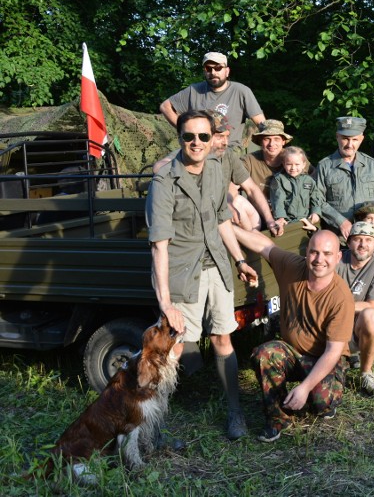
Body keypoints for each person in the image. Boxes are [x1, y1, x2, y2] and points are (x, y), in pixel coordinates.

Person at [146, 109, 258, 441]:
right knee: (175, 348)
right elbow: (159, 246)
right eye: (189, 136)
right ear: (179, 138)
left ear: (213, 139)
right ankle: (154, 424)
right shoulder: (164, 181)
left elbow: (222, 218)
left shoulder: (216, 170)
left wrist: (239, 260)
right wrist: (166, 303)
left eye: (203, 136)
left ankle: (234, 411)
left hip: (218, 269)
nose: (196, 143)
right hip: (184, 273)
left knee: (224, 339)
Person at [233, 228, 354, 442]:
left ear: (337, 257)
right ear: (306, 252)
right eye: (314, 252)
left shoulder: (341, 297)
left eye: (327, 254)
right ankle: (278, 419)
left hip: (323, 358)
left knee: (321, 402)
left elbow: (333, 351)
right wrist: (224, 224)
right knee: (265, 353)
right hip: (292, 353)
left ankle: (325, 394)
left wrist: (305, 388)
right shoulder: (292, 266)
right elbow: (265, 246)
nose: (319, 260)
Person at [153, 111, 283, 237]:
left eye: (227, 136)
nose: (225, 142)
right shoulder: (190, 153)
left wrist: (270, 220)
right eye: (220, 137)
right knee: (237, 214)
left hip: (222, 209)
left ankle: (252, 247)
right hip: (196, 215)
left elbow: (251, 188)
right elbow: (158, 167)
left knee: (247, 213)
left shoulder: (227, 155)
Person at [315, 116, 374, 249]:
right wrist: (341, 222)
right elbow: (317, 200)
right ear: (337, 137)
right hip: (339, 238)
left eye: (354, 140)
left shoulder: (371, 165)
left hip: (369, 239)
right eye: (345, 139)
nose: (349, 144)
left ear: (361, 139)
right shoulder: (325, 166)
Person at [159, 52, 265, 149]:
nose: (213, 72)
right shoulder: (194, 90)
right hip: (197, 148)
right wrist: (184, 130)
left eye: (218, 68)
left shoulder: (241, 91)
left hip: (227, 149)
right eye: (208, 68)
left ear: (227, 71)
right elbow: (165, 106)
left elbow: (262, 123)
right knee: (160, 167)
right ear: (204, 71)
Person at [335, 222, 374, 395]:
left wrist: (339, 306)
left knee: (372, 316)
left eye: (368, 240)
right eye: (357, 239)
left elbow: (372, 305)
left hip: (358, 327)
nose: (362, 244)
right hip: (333, 325)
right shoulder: (337, 260)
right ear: (349, 242)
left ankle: (366, 372)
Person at [241, 119, 293, 226]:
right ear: (260, 141)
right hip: (257, 218)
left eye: (276, 139)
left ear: (283, 141)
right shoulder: (248, 161)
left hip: (290, 216)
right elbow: (231, 188)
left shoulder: (294, 158)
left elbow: (312, 178)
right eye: (267, 139)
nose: (271, 144)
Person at [270, 146, 321, 232]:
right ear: (283, 164)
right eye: (289, 164)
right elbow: (278, 200)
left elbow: (316, 198)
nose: (293, 168)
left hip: (306, 220)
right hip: (286, 222)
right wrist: (281, 217)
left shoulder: (309, 180)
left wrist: (316, 213)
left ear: (304, 164)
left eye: (297, 164)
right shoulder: (279, 179)